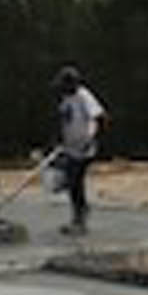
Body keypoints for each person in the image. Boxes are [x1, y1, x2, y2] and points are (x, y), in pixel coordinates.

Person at [52, 65, 108, 236]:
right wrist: (57, 142)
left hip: (84, 148)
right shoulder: (66, 99)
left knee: (75, 180)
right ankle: (79, 214)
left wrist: (90, 139)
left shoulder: (83, 97)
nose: (62, 88)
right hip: (70, 147)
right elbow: (63, 122)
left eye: (64, 85)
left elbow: (100, 117)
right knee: (70, 181)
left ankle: (80, 219)